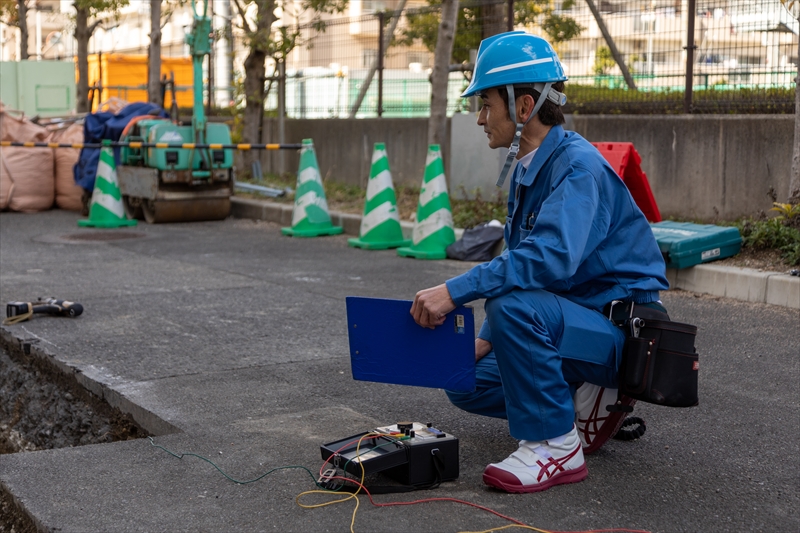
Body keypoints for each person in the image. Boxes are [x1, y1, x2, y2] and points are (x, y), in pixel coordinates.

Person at [410, 31, 669, 494]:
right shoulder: (530, 167)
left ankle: (556, 445)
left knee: (514, 308)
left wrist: (454, 292)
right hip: (572, 319)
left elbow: (546, 260)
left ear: (524, 107)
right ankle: (581, 405)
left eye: (486, 103)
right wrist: (487, 339)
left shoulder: (576, 168)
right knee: (464, 382)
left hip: (618, 333)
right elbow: (517, 259)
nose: (479, 118)